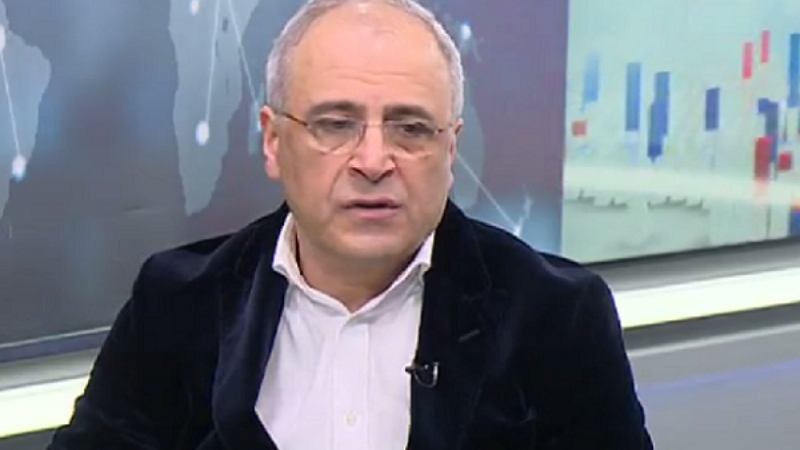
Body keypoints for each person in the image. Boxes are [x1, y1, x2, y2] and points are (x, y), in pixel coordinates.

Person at [48, 0, 653, 448]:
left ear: (450, 149)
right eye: (335, 124)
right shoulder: (178, 302)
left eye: (411, 128)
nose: (373, 161)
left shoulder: (555, 315)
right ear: (273, 141)